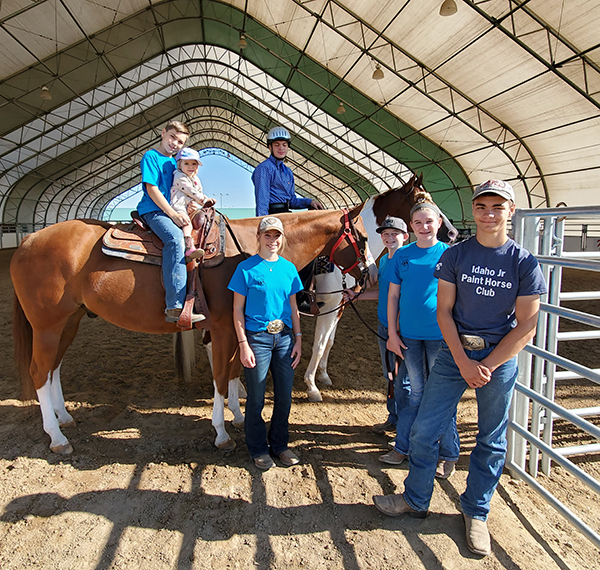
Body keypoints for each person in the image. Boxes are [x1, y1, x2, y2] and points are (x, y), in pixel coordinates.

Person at [373, 180, 547, 557]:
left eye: (496, 207)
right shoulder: (456, 257)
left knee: (490, 439)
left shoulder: (523, 263)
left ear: (510, 211)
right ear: (472, 211)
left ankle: (477, 512)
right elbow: (444, 311)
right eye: (481, 206)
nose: (488, 214)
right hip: (456, 353)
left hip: (497, 359)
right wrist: (465, 361)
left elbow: (527, 326)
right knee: (423, 429)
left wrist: (486, 364)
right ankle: (416, 499)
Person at [382, 193, 460, 476]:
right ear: (411, 227)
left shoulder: (450, 254)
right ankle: (402, 447)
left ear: (439, 222)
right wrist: (392, 332)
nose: (424, 226)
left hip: (441, 337)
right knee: (415, 394)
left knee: (439, 397)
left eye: (429, 221)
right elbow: (392, 296)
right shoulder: (402, 256)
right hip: (410, 337)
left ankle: (448, 452)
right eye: (418, 222)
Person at [228, 216, 304, 470]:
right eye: (267, 235)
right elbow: (237, 310)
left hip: (284, 339)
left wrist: (299, 340)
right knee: (257, 397)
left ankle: (280, 445)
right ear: (258, 238)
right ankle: (258, 448)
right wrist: (243, 344)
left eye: (277, 236)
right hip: (257, 340)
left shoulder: (289, 269)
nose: (272, 240)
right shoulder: (246, 269)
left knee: (284, 396)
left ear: (282, 239)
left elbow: (293, 308)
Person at [343, 216, 411, 435]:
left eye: (394, 234)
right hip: (384, 325)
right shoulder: (384, 261)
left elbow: (402, 296)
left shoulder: (406, 260)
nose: (389, 238)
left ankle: (404, 428)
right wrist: (356, 296)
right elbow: (382, 292)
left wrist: (396, 329)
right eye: (386, 234)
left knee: (403, 379)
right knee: (390, 374)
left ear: (405, 237)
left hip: (399, 328)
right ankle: (394, 417)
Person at [136, 120, 204, 324]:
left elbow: (182, 189)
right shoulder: (152, 156)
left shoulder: (177, 163)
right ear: (163, 133)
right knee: (175, 240)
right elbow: (152, 188)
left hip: (175, 210)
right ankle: (175, 306)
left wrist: (192, 205)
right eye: (173, 137)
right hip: (154, 210)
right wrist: (173, 214)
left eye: (180, 142)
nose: (175, 143)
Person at [253, 126, 323, 216]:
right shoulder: (264, 168)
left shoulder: (288, 172)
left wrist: (310, 202)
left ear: (288, 147)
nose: (281, 148)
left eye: (284, 145)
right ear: (270, 147)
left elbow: (292, 201)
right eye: (277, 145)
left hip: (286, 214)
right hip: (272, 216)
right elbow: (262, 201)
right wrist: (264, 224)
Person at [170, 147, 215, 260]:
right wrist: (204, 200)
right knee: (186, 223)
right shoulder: (179, 176)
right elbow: (190, 191)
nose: (191, 167)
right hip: (178, 206)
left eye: (194, 164)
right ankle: (188, 246)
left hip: (187, 206)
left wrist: (195, 203)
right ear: (179, 165)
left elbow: (196, 192)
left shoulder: (195, 178)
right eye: (186, 163)